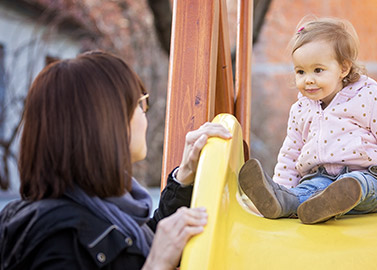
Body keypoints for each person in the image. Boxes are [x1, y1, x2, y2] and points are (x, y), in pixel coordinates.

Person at [0, 51, 232, 269]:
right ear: (107, 120)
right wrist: (156, 265)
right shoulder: (55, 237)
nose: (145, 114)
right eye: (140, 103)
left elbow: (134, 249)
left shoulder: (95, 211)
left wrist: (184, 176)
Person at [239, 17, 377, 224]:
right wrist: (282, 187)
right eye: (300, 71)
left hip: (371, 180)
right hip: (320, 181)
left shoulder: (367, 96)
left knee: (355, 184)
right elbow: (290, 153)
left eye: (318, 70)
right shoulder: (301, 109)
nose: (307, 79)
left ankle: (332, 198)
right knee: (305, 191)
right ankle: (285, 201)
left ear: (343, 69)